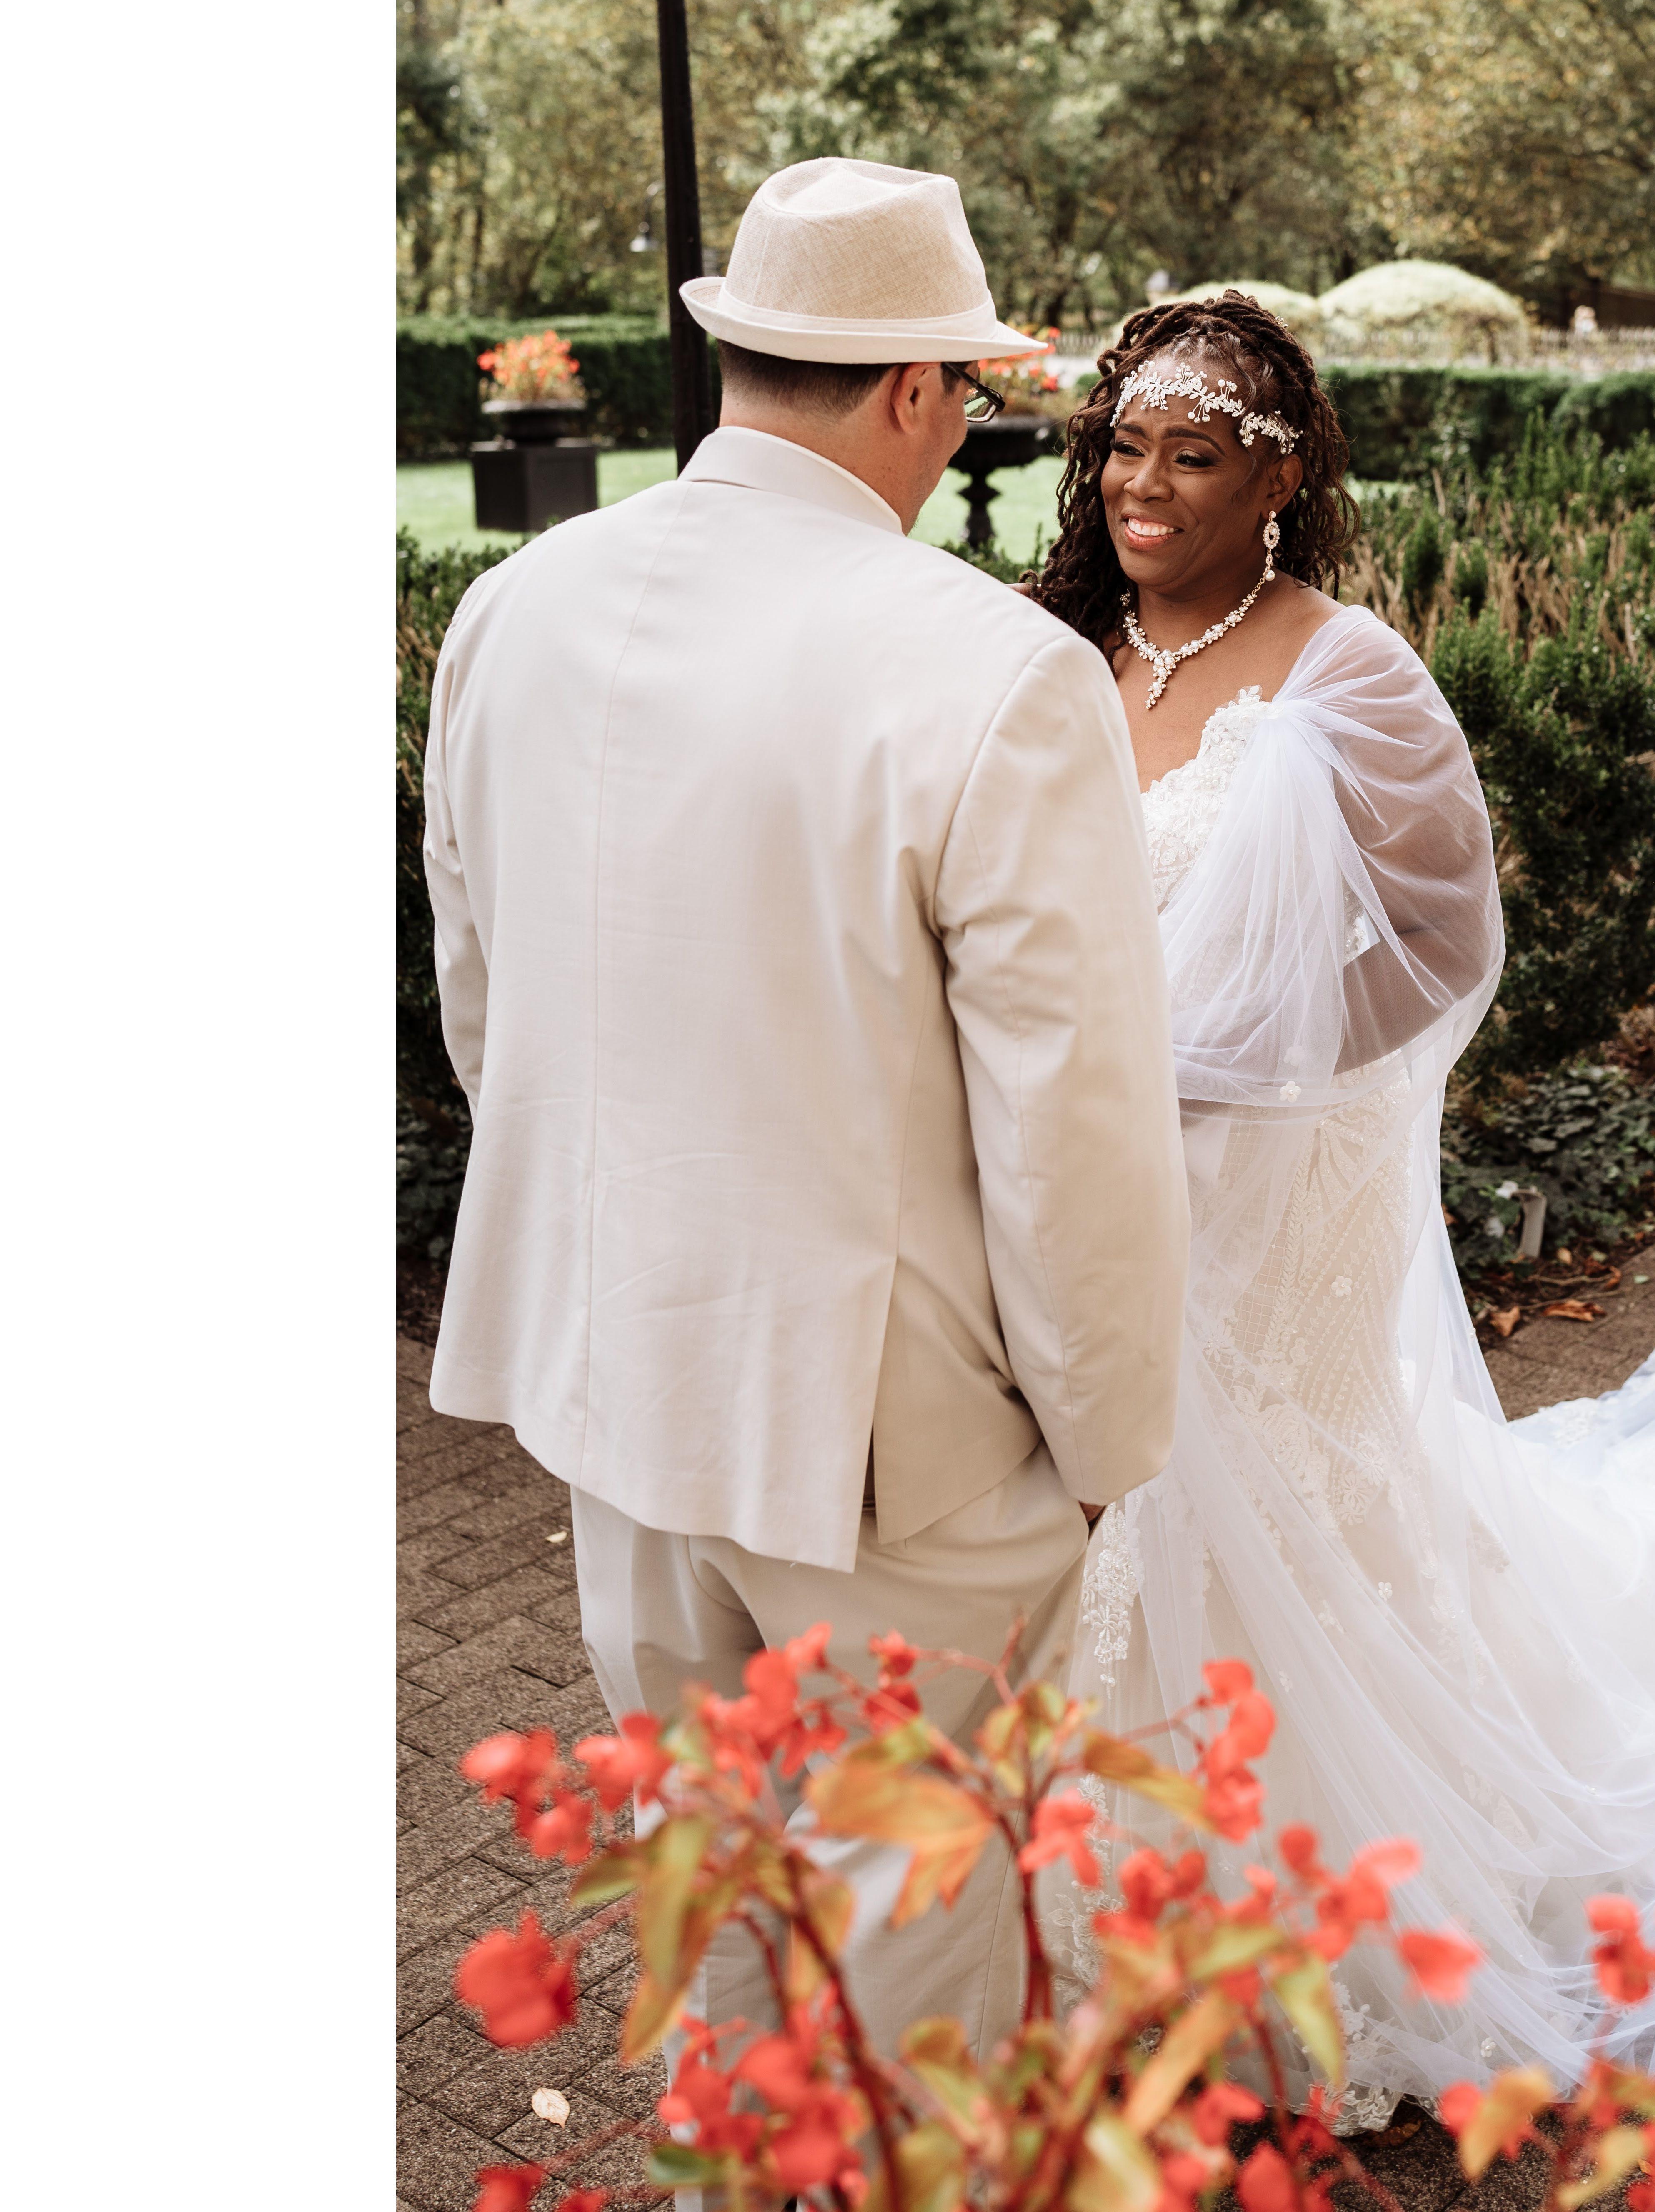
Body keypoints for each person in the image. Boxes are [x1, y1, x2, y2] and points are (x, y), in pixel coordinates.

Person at [1020, 292, 1655, 2122]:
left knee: (1261, 1485)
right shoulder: (1043, 649)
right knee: (1099, 1496)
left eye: (1192, 452)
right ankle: (1097, 1874)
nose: (1144, 483)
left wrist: (1268, 1081)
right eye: (1123, 446)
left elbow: (1445, 945)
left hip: (1269, 1187)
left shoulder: (1344, 668)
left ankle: (1284, 1882)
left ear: (1280, 474)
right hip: (1066, 1170)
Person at [419, 157, 1192, 2086]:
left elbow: (482, 1004)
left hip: (617, 1388)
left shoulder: (512, 606)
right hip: (894, 1450)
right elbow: (1073, 1125)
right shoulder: (995, 670)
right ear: (919, 391)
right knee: (918, 1976)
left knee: (722, 1905)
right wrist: (1101, 1441)